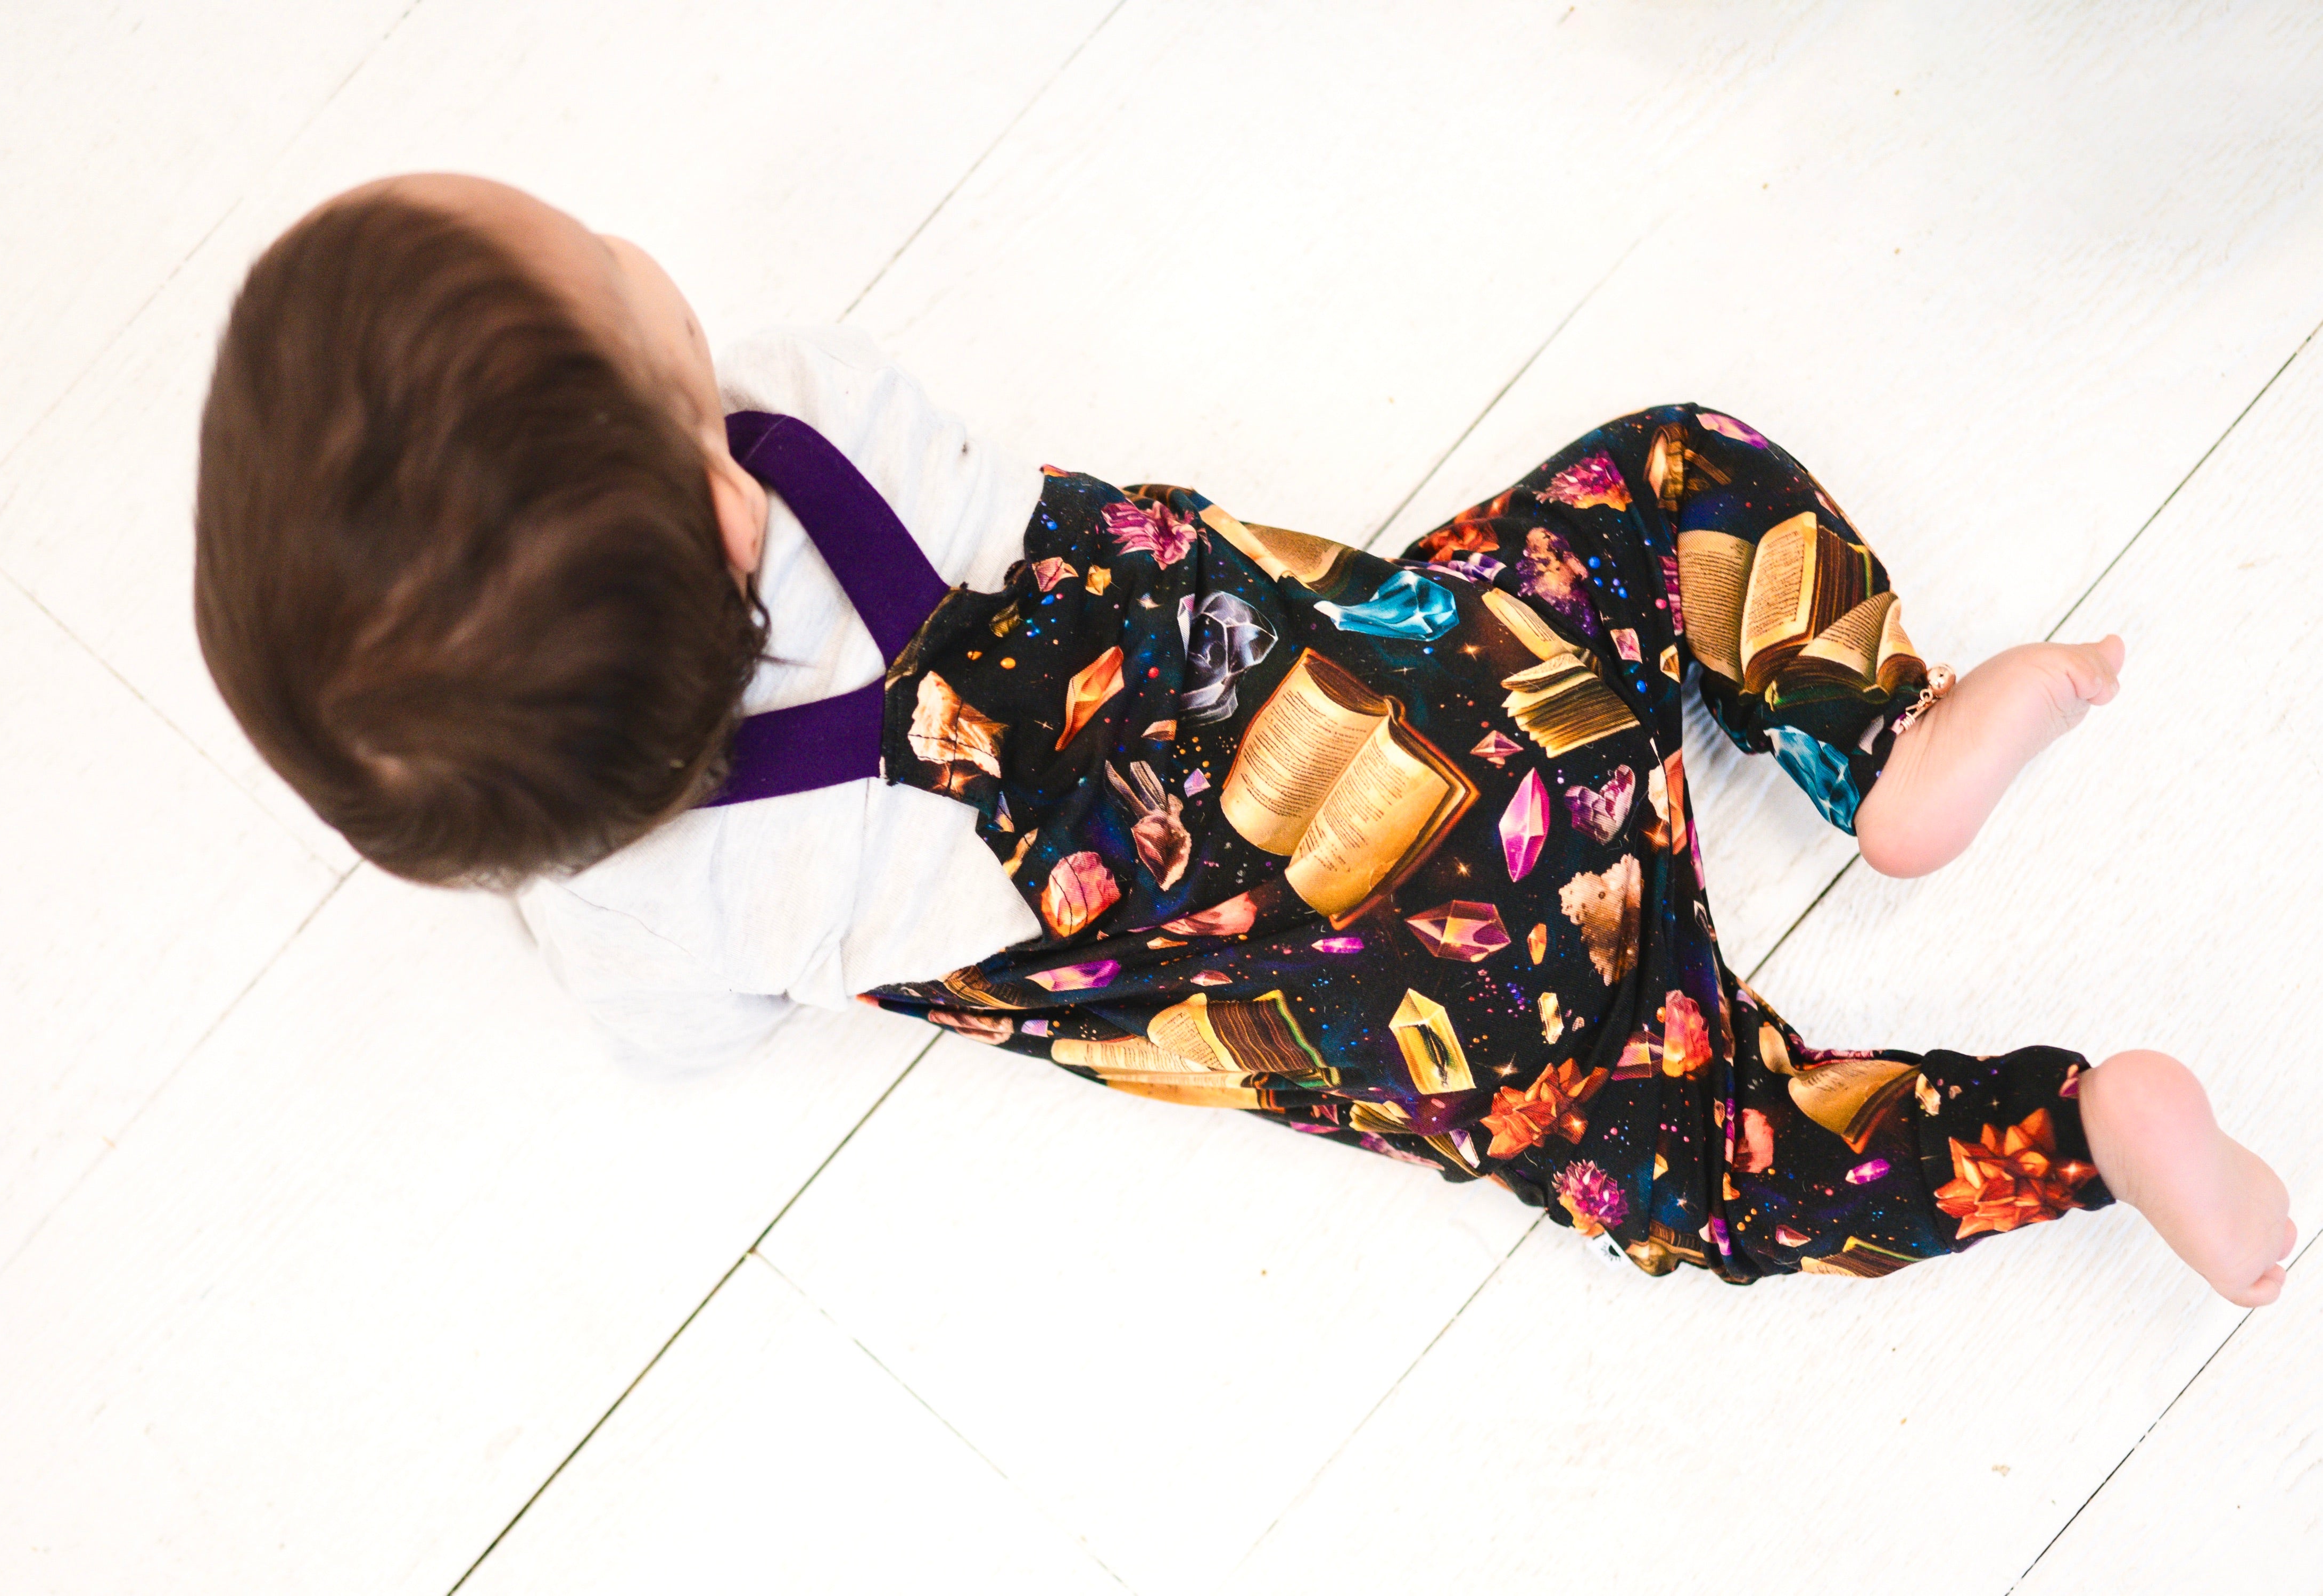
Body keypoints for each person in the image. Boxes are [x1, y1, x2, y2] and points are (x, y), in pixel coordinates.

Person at [193, 173, 2294, 1304]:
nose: (634, 256)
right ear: (726, 486)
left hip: (1434, 1017)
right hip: (1478, 704)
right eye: (597, 266)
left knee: (1714, 1173)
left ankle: (2078, 1126)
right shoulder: (819, 410)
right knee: (1670, 473)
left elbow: (686, 1038)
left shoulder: (638, 917)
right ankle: (1886, 745)